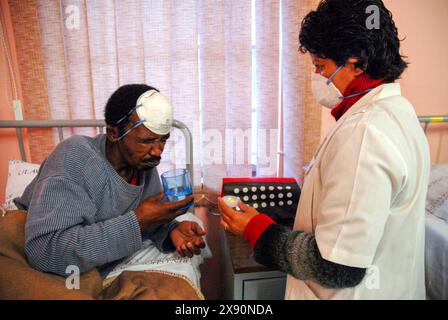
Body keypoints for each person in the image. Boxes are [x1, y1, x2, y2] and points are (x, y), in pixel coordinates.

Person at [219, 0, 430, 299]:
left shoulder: (365, 133)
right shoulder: (397, 112)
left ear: (356, 62)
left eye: (321, 67)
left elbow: (336, 266)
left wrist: (256, 228)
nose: (317, 78)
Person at [16, 84, 206, 277]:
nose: (157, 151)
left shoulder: (142, 163)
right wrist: (137, 221)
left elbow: (146, 219)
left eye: (163, 140)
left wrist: (170, 230)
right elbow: (44, 251)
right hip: (28, 252)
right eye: (147, 141)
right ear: (114, 133)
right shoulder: (76, 157)